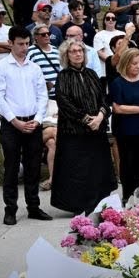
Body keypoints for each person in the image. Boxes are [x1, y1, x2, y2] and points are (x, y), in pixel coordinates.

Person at [0, 26, 51, 225]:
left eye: (27, 43)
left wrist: (39, 119)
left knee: (34, 166)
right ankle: (10, 209)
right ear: (10, 43)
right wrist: (14, 121)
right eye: (20, 44)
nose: (24, 48)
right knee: (12, 167)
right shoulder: (1, 67)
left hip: (33, 121)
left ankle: (33, 206)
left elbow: (43, 95)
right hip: (12, 124)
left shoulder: (34, 67)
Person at [51, 38, 117, 214]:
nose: (78, 54)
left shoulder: (92, 74)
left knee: (97, 167)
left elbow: (103, 98)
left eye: (80, 51)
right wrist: (88, 120)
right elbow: (65, 104)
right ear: (67, 55)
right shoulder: (63, 76)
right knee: (78, 169)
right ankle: (79, 205)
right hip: (75, 132)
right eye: (73, 51)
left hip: (97, 131)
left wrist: (100, 116)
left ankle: (100, 201)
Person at [110, 49, 139, 203]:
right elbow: (118, 107)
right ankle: (127, 194)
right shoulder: (118, 82)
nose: (138, 66)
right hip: (125, 128)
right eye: (134, 64)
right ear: (126, 63)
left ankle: (137, 192)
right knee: (127, 161)